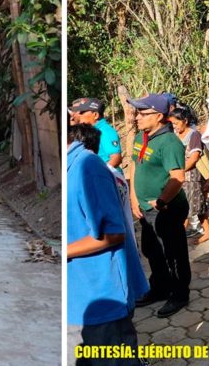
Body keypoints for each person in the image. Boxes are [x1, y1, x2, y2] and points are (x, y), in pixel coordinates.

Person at [67, 124, 149, 366]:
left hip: (99, 293)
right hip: (78, 297)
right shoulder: (75, 167)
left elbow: (113, 233)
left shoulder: (88, 167)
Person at [127, 94, 191, 318]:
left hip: (166, 208)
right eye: (138, 113)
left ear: (159, 116)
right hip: (145, 208)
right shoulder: (141, 137)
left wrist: (162, 201)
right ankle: (160, 288)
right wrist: (134, 197)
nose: (137, 118)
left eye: (143, 114)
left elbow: (178, 177)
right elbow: (135, 166)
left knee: (173, 253)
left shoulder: (169, 142)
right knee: (152, 250)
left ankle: (179, 294)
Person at [170, 107, 209, 241]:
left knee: (187, 207)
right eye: (172, 124)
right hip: (179, 176)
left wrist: (180, 171)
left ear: (185, 121)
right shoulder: (175, 135)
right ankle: (208, 231)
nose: (174, 126)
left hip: (191, 176)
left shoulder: (194, 135)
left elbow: (194, 158)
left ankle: (179, 237)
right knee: (197, 204)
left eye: (176, 123)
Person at [69, 98, 122, 168]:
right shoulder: (91, 130)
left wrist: (100, 173)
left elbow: (116, 158)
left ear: (95, 115)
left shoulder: (106, 131)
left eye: (82, 112)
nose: (79, 115)